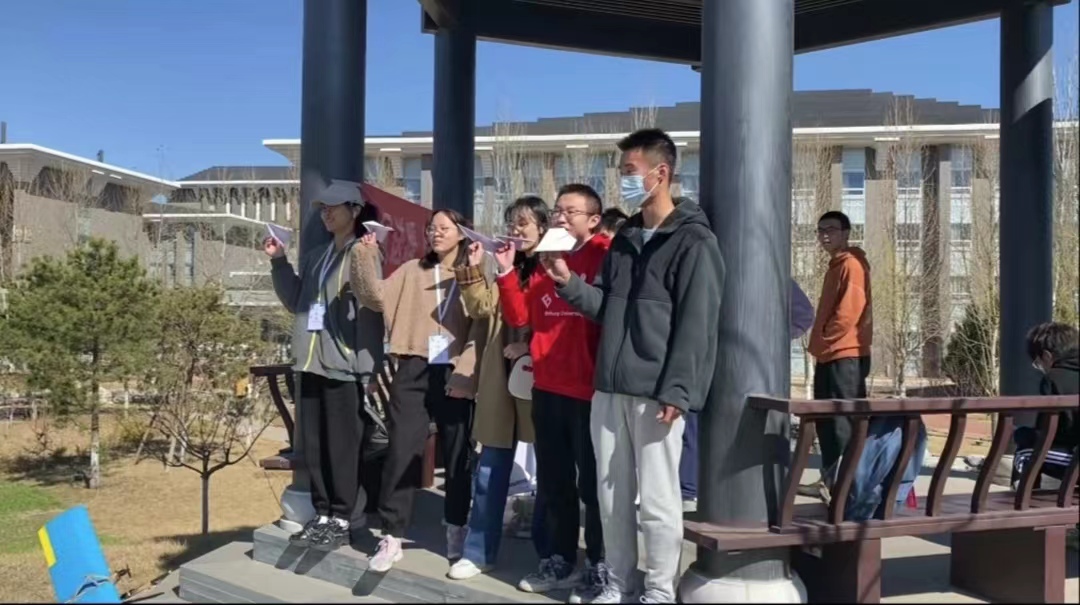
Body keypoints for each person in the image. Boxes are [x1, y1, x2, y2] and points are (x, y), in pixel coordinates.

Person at [548, 128, 724, 604]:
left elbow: (698, 325)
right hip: (608, 387)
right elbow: (607, 308)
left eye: (630, 171)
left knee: (659, 500)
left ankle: (660, 589)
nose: (623, 180)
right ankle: (618, 583)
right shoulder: (624, 237)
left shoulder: (694, 242)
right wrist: (568, 283)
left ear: (660, 173)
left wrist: (678, 390)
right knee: (610, 496)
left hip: (656, 393)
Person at [493, 184, 611, 602]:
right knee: (555, 481)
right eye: (557, 210)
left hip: (591, 391)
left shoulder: (605, 254)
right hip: (547, 387)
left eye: (570, 211)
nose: (560, 217)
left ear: (593, 220)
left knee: (595, 486)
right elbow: (520, 317)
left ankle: (599, 564)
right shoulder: (546, 257)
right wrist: (506, 272)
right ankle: (560, 560)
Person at [350, 208, 484, 572]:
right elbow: (374, 296)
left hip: (456, 369)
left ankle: (456, 526)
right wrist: (365, 254)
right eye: (431, 228)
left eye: (444, 228)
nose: (435, 233)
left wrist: (468, 371)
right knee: (401, 449)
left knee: (457, 453)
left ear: (462, 233)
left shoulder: (474, 272)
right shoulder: (413, 270)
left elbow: (482, 323)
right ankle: (392, 535)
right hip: (412, 366)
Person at [266, 179, 385, 552]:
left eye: (334, 207)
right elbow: (297, 302)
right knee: (315, 447)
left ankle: (342, 517)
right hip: (309, 365)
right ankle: (322, 515)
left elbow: (371, 310)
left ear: (355, 210)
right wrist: (278, 260)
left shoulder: (363, 252)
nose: (326, 213)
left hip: (343, 367)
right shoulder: (316, 256)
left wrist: (368, 368)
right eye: (323, 208)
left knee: (342, 448)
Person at [447, 195, 551, 580]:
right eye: (512, 223)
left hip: (543, 378)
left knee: (552, 471)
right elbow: (482, 308)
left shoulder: (555, 266)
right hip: (501, 377)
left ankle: (551, 554)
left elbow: (554, 319)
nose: (515, 230)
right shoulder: (508, 266)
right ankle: (479, 551)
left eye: (523, 223)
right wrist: (474, 269)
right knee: (490, 468)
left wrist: (531, 344)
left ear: (543, 227)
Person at [679, 278, 816, 512]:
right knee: (692, 421)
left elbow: (803, 314)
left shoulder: (772, 277)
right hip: (707, 361)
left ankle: (692, 490)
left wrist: (769, 338)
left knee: (723, 427)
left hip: (743, 370)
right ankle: (689, 488)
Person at [801, 210, 873, 500]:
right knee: (827, 422)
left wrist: (823, 340)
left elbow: (848, 313)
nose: (824, 235)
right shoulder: (837, 265)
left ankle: (849, 490)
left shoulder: (852, 264)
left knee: (844, 424)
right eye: (820, 230)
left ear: (846, 233)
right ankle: (830, 483)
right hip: (830, 354)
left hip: (846, 355)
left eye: (831, 229)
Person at [1014, 322, 1078, 486]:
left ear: (1047, 356)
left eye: (1038, 363)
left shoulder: (1054, 378)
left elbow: (1047, 432)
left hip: (1076, 461)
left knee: (1025, 449)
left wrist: (1021, 434)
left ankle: (1025, 496)